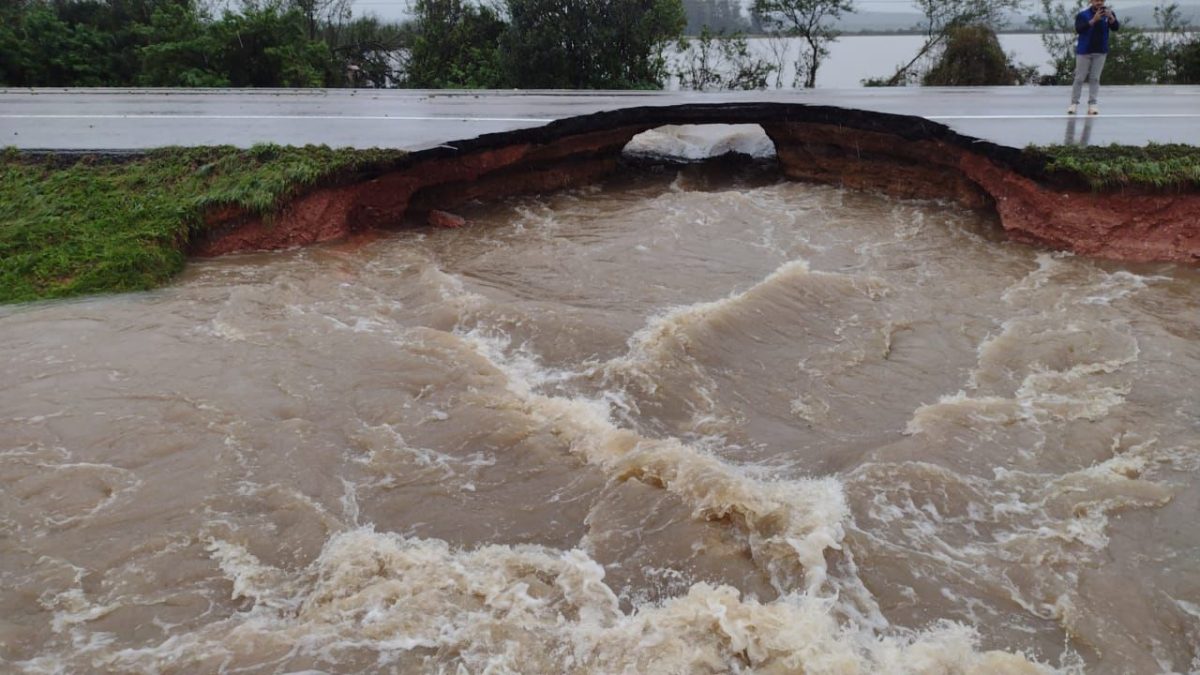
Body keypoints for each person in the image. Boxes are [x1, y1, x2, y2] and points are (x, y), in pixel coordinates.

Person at [1069, 0, 1119, 115]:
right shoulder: (1083, 15)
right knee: (1079, 78)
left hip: (1100, 51)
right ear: (1091, 1)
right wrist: (1093, 20)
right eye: (1096, 0)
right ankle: (1074, 103)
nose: (1099, 3)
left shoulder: (1109, 13)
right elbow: (1079, 29)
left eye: (1101, 0)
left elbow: (1115, 28)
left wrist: (1111, 18)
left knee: (1095, 78)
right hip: (1084, 51)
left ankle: (1092, 104)